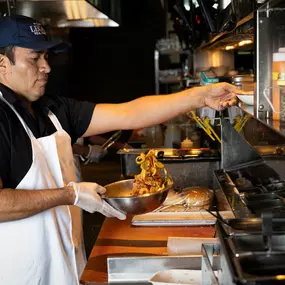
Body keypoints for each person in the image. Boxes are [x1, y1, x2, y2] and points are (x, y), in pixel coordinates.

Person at [0, 14, 238, 285]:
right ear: (2, 63)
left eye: (46, 56)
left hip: (65, 265)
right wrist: (71, 194)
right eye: (34, 58)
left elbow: (130, 113)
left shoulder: (51, 109)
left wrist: (198, 96)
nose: (46, 67)